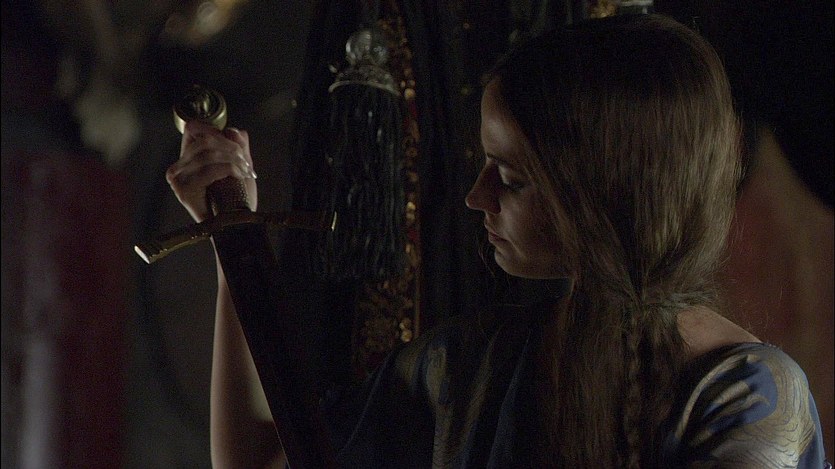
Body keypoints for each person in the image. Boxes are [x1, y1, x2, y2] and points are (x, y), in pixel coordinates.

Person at [166, 14, 829, 468]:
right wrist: (234, 247)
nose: (476, 196)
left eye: (511, 178)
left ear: (599, 193)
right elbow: (268, 459)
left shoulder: (747, 396)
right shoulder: (472, 364)